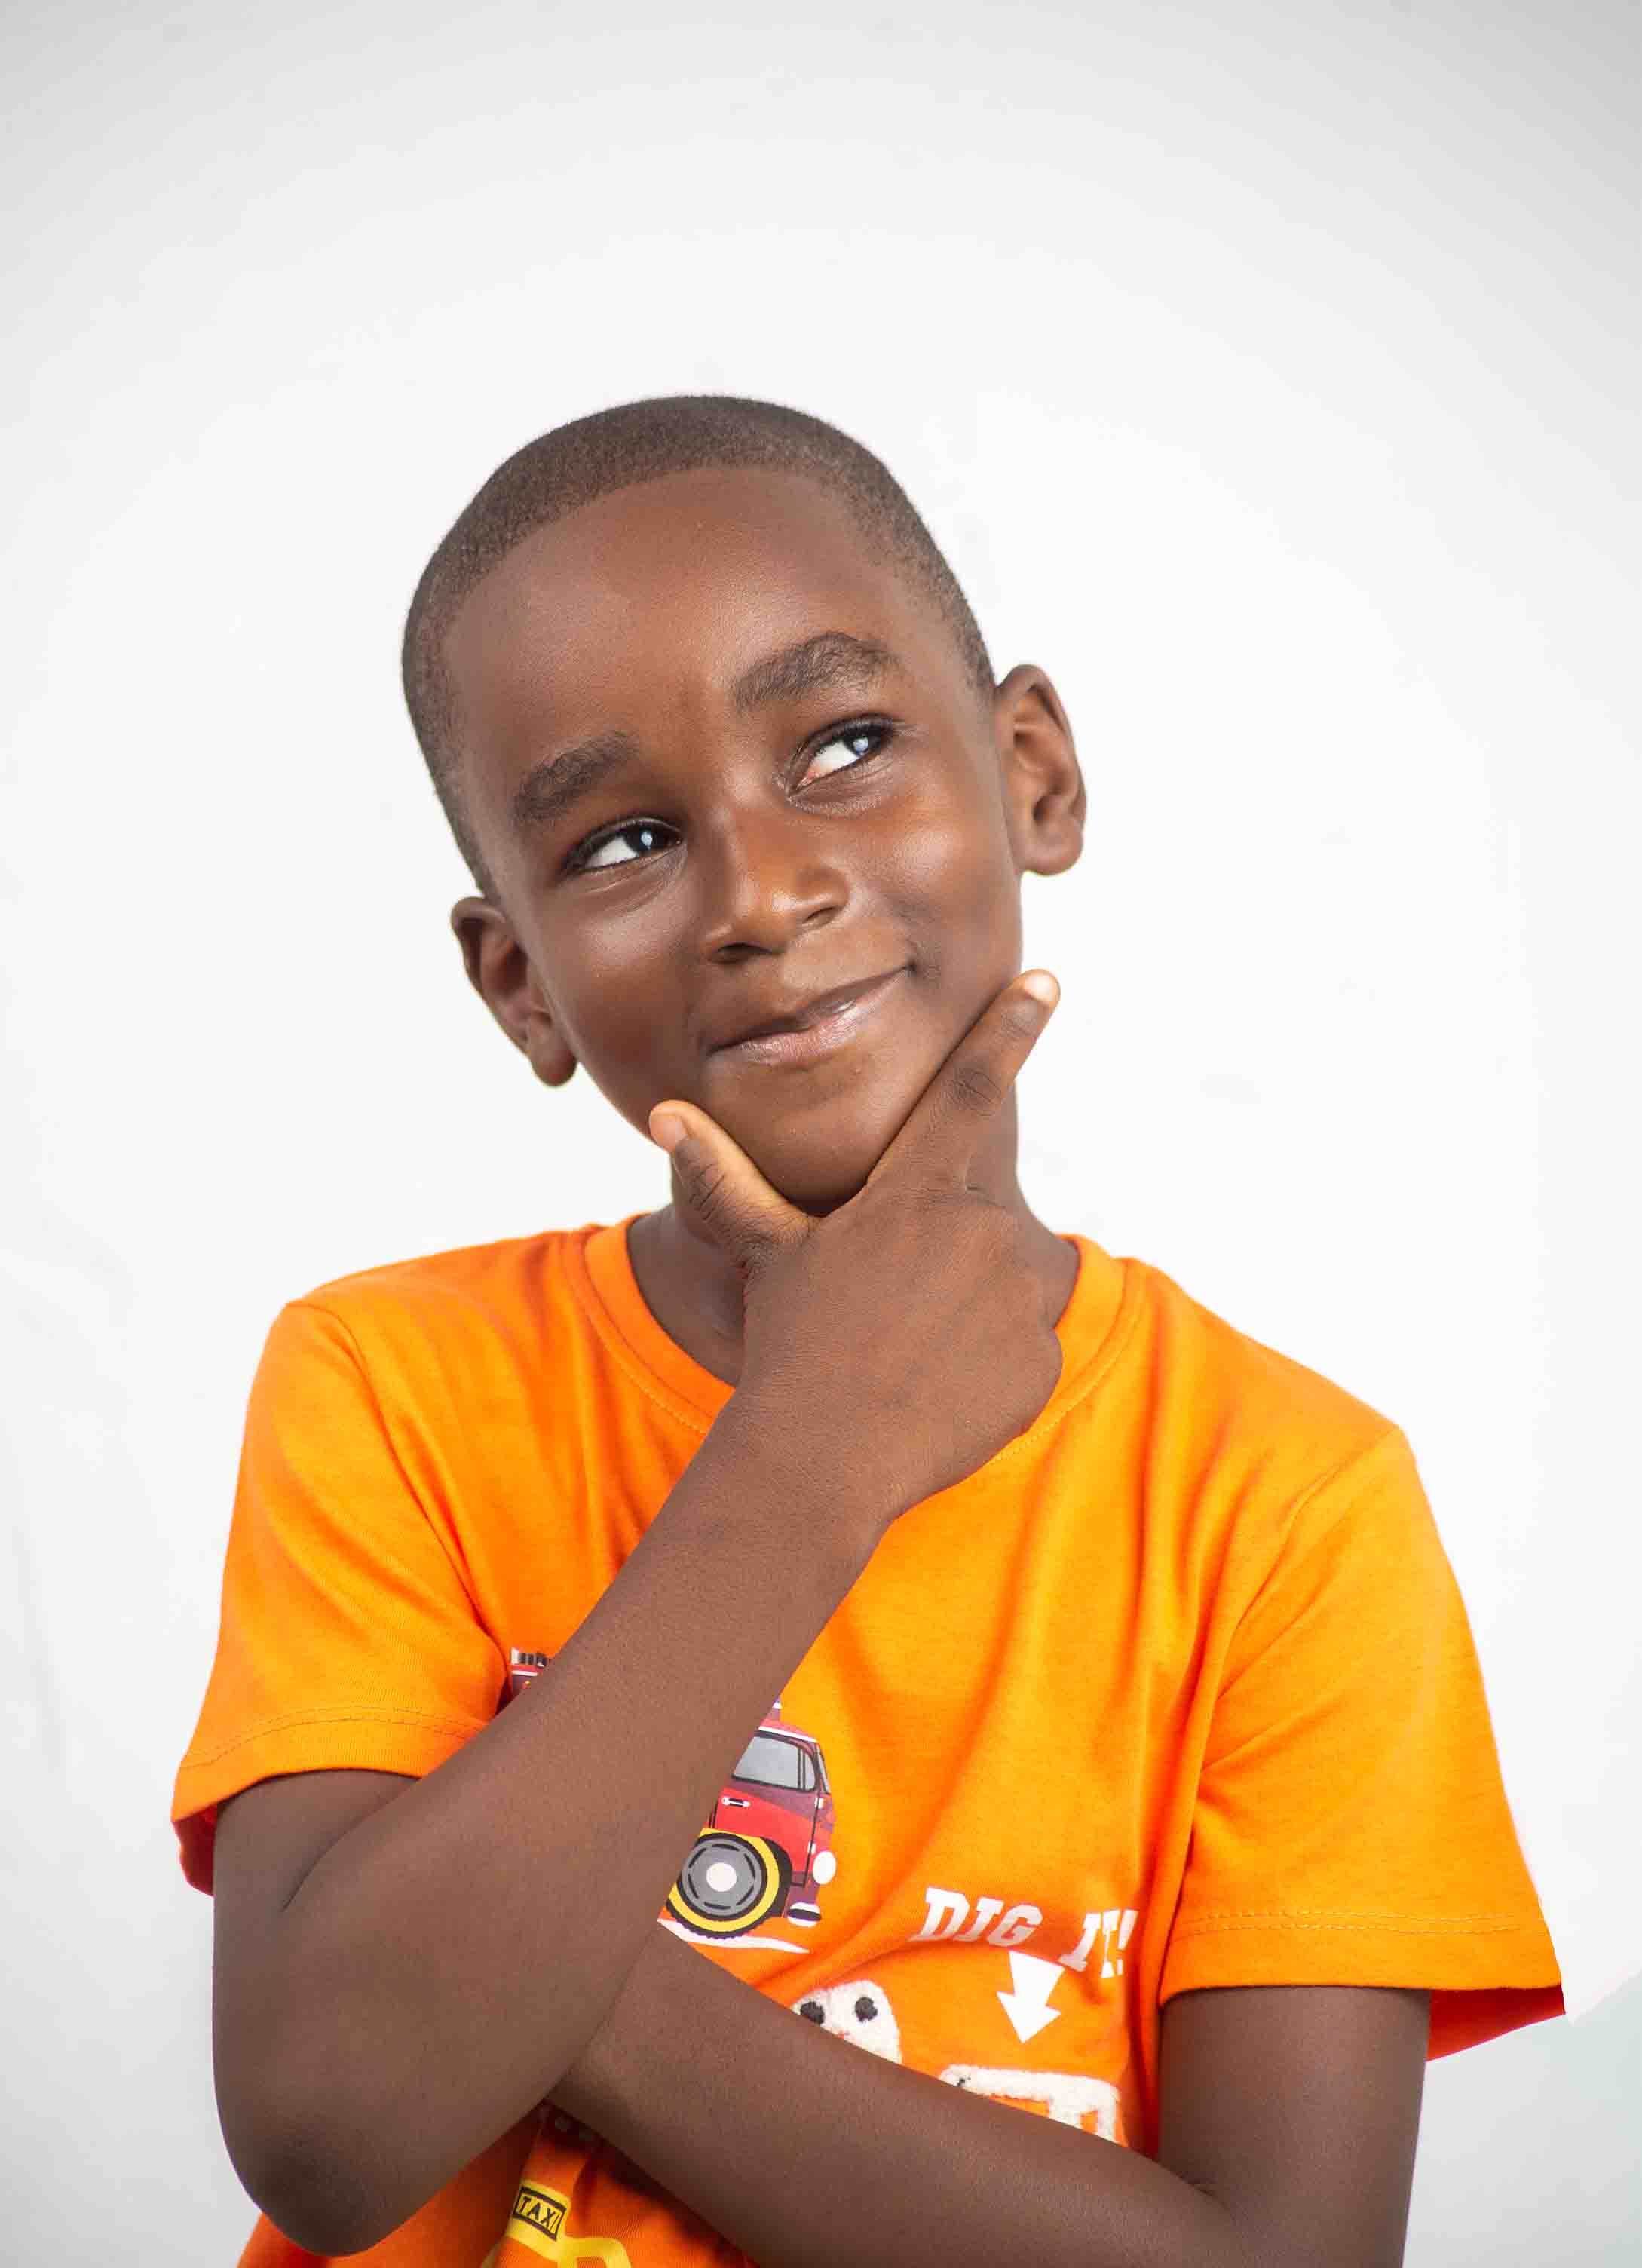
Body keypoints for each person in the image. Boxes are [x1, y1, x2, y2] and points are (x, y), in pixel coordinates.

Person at [173, 394, 1563, 2268]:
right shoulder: (391, 1383)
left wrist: (505, 1954)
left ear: (1035, 773)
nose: (763, 894)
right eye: (622, 841)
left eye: (841, 745)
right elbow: (332, 2121)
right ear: (521, 984)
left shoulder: (1288, 1503)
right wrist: (812, 1452)